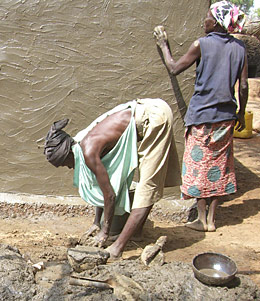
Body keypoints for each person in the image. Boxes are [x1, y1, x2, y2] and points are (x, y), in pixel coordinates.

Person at [153, 1, 248, 232]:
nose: (203, 21)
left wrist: (164, 44)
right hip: (226, 117)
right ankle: (212, 220)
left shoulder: (201, 45)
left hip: (202, 117)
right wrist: (241, 113)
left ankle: (201, 218)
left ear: (215, 22)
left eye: (206, 17)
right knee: (220, 167)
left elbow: (174, 68)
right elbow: (243, 86)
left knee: (198, 167)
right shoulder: (240, 49)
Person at [44, 98, 179, 258]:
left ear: (68, 154)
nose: (68, 167)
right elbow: (102, 185)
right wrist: (96, 223)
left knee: (147, 186)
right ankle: (135, 233)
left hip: (154, 118)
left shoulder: (88, 152)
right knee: (144, 186)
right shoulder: (79, 142)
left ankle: (117, 248)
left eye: (65, 164)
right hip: (145, 112)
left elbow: (110, 195)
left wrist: (104, 232)